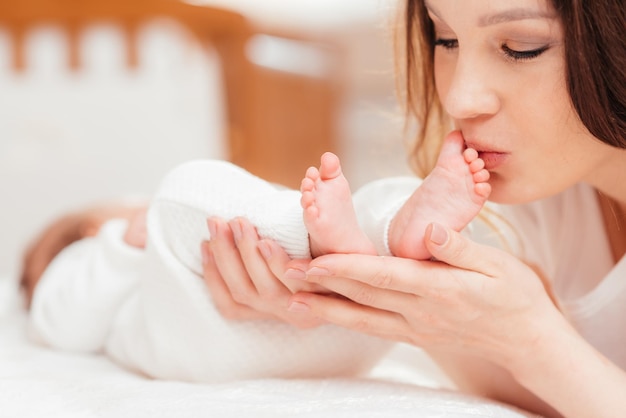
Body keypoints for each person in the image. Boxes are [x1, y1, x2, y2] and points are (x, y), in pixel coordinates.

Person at [198, 1, 626, 417]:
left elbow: (535, 352)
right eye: (446, 40)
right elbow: (541, 392)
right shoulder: (548, 191)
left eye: (521, 46)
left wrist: (533, 339)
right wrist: (356, 303)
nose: (459, 98)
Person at [23, 129, 490, 383]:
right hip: (204, 342)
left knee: (364, 212)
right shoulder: (97, 252)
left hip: (345, 336)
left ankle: (394, 236)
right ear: (86, 229)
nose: (131, 208)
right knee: (181, 192)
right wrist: (118, 243)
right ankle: (333, 237)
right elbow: (57, 322)